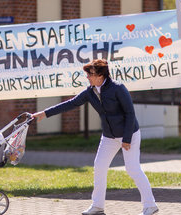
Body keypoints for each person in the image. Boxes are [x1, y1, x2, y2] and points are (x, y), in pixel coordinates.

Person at [32, 59, 159, 215]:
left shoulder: (118, 88)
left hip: (129, 133)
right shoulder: (90, 92)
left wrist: (126, 139)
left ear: (100, 75)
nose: (87, 77)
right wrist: (44, 113)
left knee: (132, 169)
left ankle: (150, 205)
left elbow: (130, 113)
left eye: (90, 74)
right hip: (108, 136)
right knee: (99, 167)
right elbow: (71, 103)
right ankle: (97, 206)